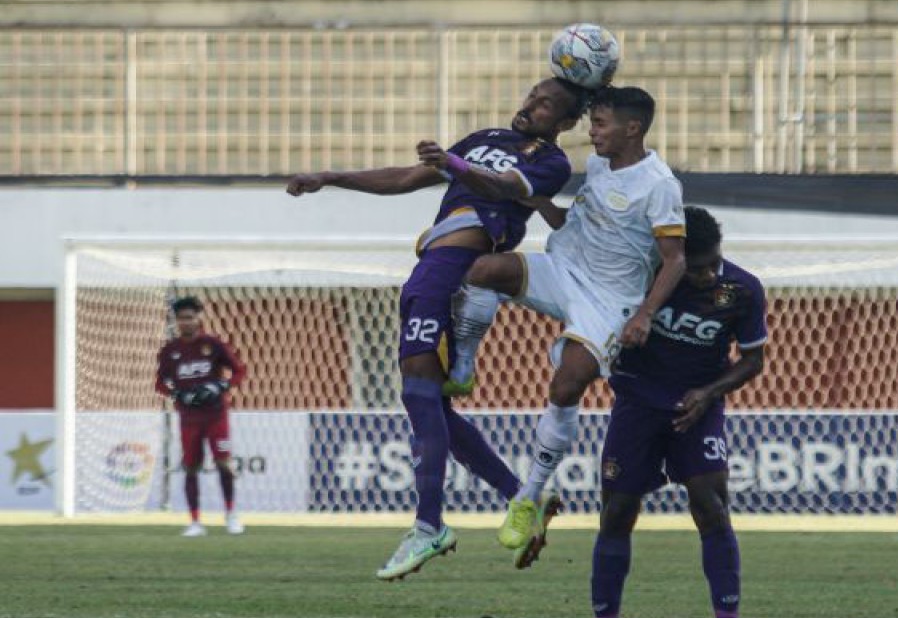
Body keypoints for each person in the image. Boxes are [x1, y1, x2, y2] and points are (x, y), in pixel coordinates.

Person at [286, 76, 592, 580]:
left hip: (457, 268)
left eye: (545, 106)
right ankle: (521, 498)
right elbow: (409, 177)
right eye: (532, 96)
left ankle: (429, 525)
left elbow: (503, 186)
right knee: (431, 404)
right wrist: (331, 176)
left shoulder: (551, 162)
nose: (530, 105)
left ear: (565, 122)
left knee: (419, 391)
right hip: (430, 265)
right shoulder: (484, 138)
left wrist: (455, 165)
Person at [425, 86, 686, 567]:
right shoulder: (600, 165)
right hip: (565, 269)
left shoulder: (659, 184)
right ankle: (462, 365)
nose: (593, 133)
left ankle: (529, 496)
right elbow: (581, 220)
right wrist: (541, 203)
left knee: (568, 382)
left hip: (610, 300)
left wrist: (645, 314)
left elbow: (675, 259)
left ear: (632, 128)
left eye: (601, 124)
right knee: (481, 269)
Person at [589, 206, 765, 618]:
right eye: (696, 267)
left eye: (713, 264)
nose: (706, 276)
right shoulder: (644, 280)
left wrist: (708, 393)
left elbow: (753, 360)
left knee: (712, 508)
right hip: (638, 404)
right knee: (617, 512)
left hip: (698, 407)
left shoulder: (743, 289)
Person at [154, 296, 247, 537]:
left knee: (223, 463)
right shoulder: (170, 351)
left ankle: (231, 515)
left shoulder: (213, 345)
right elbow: (160, 383)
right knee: (191, 467)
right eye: (181, 318)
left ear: (198, 318)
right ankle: (195, 522)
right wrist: (177, 394)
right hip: (189, 419)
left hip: (216, 416)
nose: (186, 322)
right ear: (176, 321)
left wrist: (221, 386)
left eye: (190, 317)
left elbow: (239, 370)